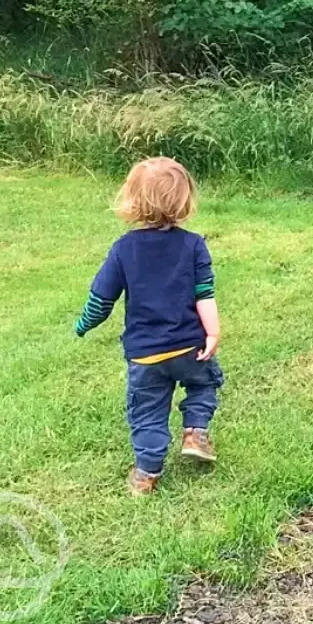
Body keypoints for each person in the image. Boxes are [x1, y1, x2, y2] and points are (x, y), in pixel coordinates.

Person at [75, 156, 223, 495]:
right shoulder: (194, 244)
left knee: (148, 412)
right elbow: (205, 295)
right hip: (190, 346)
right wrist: (212, 332)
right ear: (185, 200)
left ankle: (146, 474)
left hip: (145, 355)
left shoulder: (123, 249)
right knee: (203, 385)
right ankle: (195, 432)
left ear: (132, 201)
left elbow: (101, 300)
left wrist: (83, 324)